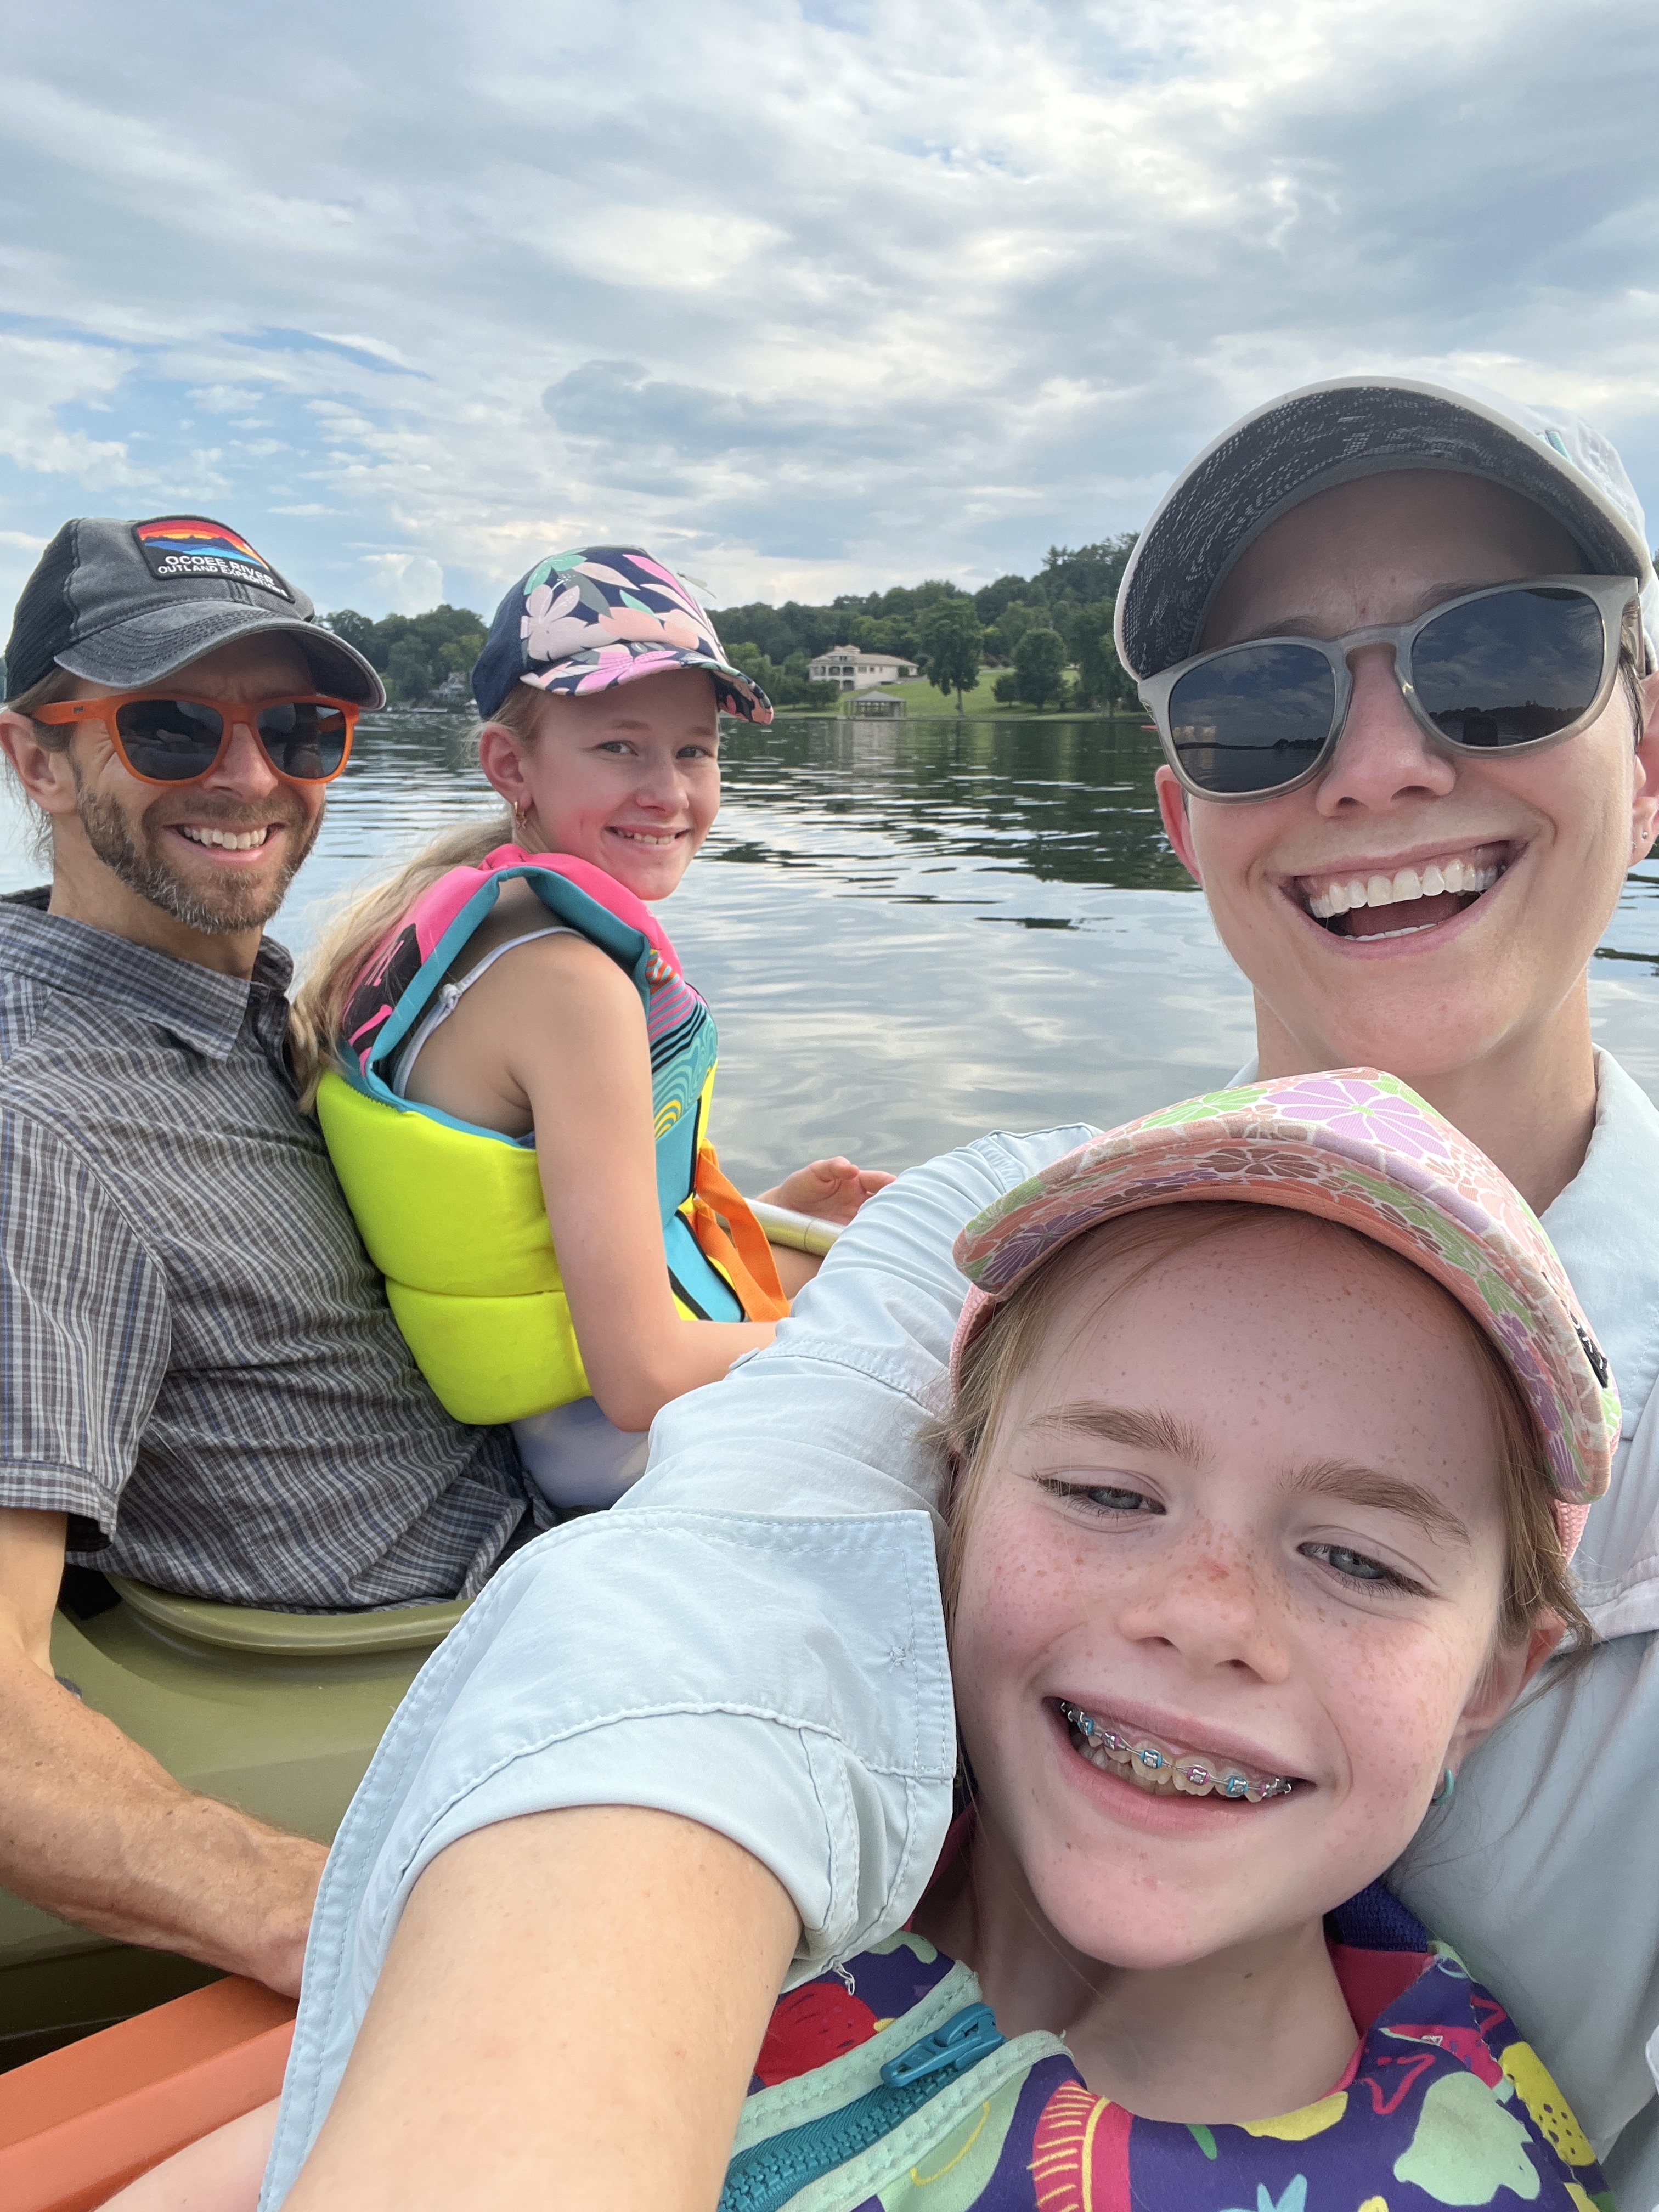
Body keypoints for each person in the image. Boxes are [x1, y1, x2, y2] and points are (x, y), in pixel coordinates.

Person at [261, 375, 1659, 2211]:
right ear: (1179, 815)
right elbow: (700, 1620)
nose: (1380, 765)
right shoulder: (983, 1233)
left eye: (1503, 663)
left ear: (1646, 757)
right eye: (1258, 707)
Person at [119, 1074, 1616, 2210]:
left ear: (1495, 1678)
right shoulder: (717, 1883)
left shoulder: (1474, 2167)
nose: (1206, 1613)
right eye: (1107, 1493)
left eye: (1355, 1560)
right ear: (952, 1510)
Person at [0, 516, 538, 1995]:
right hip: (417, 1667)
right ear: (38, 761)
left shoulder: (244, 1013)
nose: (250, 779)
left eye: (300, 729)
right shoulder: (37, 1125)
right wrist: (331, 1919)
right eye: (171, 726)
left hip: (534, 1533)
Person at [289, 548, 890, 1508]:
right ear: (510, 765)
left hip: (563, 1408)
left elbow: (526, 1231)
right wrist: (909, 1340)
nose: (669, 792)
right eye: (619, 747)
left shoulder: (476, 925)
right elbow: (642, 1376)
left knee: (878, 1248)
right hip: (614, 1453)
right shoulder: (572, 989)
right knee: (968, 1325)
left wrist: (764, 1216)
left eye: (694, 750)